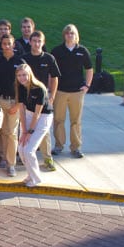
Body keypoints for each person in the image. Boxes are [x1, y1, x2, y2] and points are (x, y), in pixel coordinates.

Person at [51, 24, 93, 159]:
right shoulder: (57, 51)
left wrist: (87, 85)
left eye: (72, 33)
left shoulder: (83, 51)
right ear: (64, 35)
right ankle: (58, 145)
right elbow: (51, 72)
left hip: (77, 92)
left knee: (76, 120)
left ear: (76, 35)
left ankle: (76, 147)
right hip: (60, 91)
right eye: (67, 33)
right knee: (58, 120)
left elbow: (89, 69)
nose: (70, 36)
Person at [23, 30, 60, 171]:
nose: (37, 44)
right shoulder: (24, 58)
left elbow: (55, 78)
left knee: (44, 131)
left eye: (39, 41)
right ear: (30, 42)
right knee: (26, 127)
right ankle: (24, 155)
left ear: (43, 43)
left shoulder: (49, 59)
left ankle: (47, 158)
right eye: (34, 41)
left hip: (43, 99)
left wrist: (52, 96)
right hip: (28, 98)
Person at [0, 34, 26, 177]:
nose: (6, 46)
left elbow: (24, 85)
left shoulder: (20, 61)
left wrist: (18, 104)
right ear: (1, 44)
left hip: (14, 102)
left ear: (13, 45)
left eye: (9, 43)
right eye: (4, 43)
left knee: (11, 133)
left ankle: (11, 164)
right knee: (2, 132)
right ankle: (4, 158)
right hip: (0, 100)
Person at [15, 63, 53, 187]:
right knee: (21, 148)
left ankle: (36, 179)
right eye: (19, 75)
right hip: (28, 114)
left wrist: (29, 132)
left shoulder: (39, 88)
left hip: (43, 117)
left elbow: (38, 114)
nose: (22, 78)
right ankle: (30, 174)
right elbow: (21, 109)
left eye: (24, 75)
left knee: (29, 150)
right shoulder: (20, 87)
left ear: (30, 74)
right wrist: (23, 130)